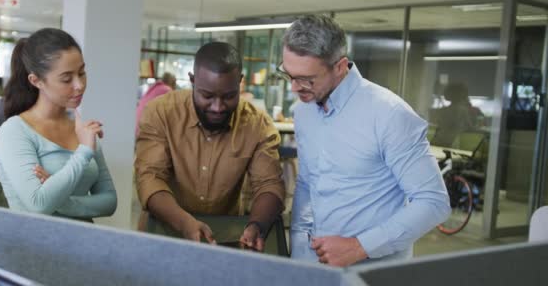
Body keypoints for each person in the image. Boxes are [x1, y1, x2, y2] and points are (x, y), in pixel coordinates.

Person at [280, 15, 450, 267]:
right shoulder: (304, 110)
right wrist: (298, 243)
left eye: (306, 79)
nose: (294, 88)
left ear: (340, 67)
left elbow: (433, 202)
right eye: (288, 75)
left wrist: (359, 247)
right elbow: (308, 181)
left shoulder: (390, 115)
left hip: (372, 268)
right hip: (312, 262)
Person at [135, 41, 285, 251]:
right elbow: (149, 178)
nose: (217, 107)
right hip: (163, 232)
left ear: (240, 83)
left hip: (225, 239)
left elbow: (269, 184)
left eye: (228, 96)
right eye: (207, 96)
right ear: (192, 81)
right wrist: (184, 223)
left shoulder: (257, 124)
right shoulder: (161, 113)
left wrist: (256, 225)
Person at [0, 28, 117, 222]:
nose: (79, 85)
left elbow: (110, 201)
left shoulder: (83, 131)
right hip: (35, 248)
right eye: (66, 78)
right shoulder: (15, 131)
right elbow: (39, 204)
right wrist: (84, 151)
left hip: (86, 245)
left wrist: (62, 201)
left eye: (82, 73)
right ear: (36, 81)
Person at [431, 82, 484, 147]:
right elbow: (470, 128)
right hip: (449, 143)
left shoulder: (442, 110)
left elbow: (438, 127)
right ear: (463, 95)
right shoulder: (462, 110)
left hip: (436, 140)